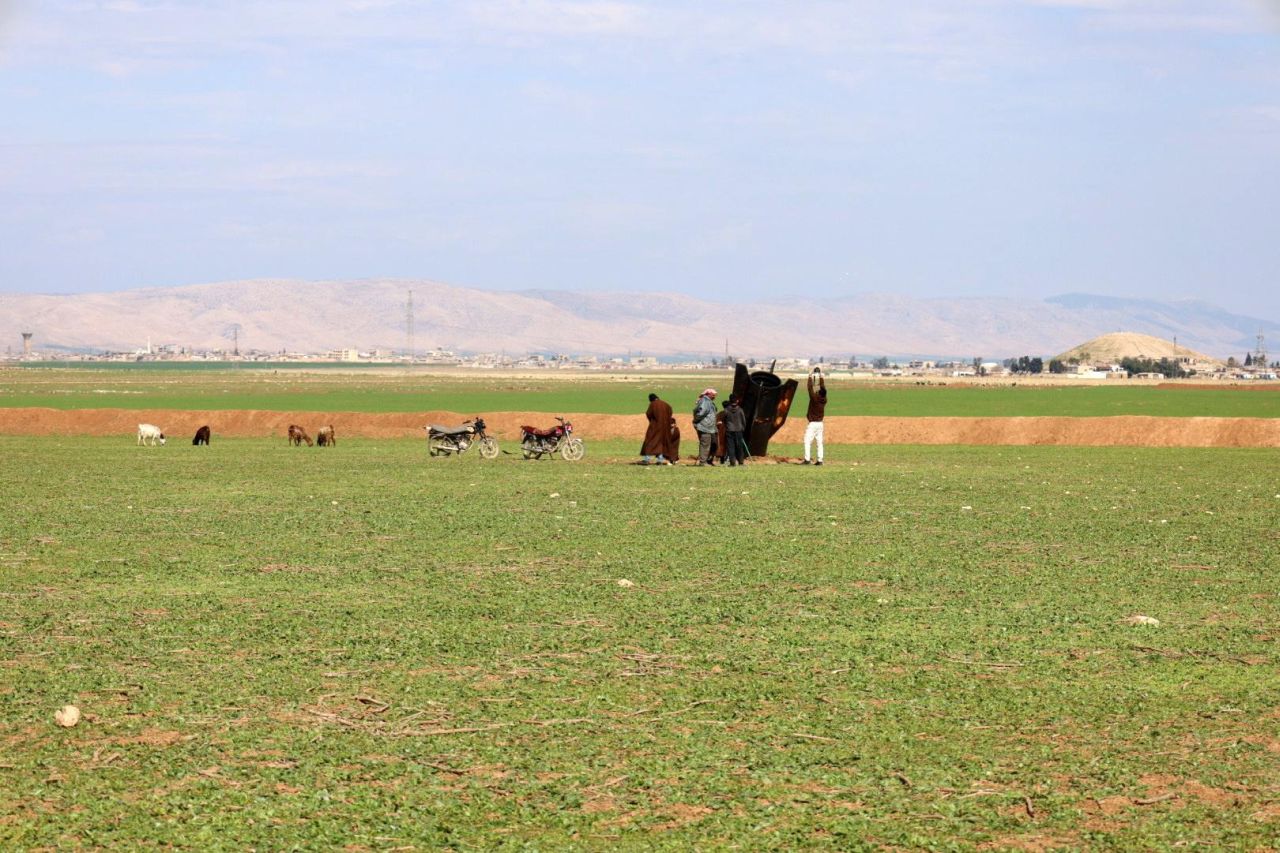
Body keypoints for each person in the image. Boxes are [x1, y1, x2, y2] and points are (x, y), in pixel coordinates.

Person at [640, 393, 674, 465]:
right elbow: (670, 413)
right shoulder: (666, 404)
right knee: (661, 443)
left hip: (655, 427)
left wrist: (652, 422)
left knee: (650, 441)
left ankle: (647, 459)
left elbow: (648, 414)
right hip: (665, 428)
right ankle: (660, 460)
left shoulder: (653, 404)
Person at [803, 367, 826, 466]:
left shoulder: (815, 399)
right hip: (820, 424)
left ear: (818, 394)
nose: (816, 391)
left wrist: (810, 376)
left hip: (813, 424)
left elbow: (810, 388)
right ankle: (820, 460)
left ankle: (807, 460)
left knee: (807, 441)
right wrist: (820, 376)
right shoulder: (824, 400)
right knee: (819, 442)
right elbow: (823, 388)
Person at [692, 388, 718, 465]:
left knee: (714, 444)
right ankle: (703, 462)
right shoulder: (705, 401)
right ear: (708, 394)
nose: (714, 396)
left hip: (710, 427)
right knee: (705, 444)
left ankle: (708, 460)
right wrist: (695, 421)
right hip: (704, 427)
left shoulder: (708, 401)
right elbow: (701, 413)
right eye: (713, 394)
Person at [722, 395, 747, 466]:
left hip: (729, 430)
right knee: (739, 446)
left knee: (731, 447)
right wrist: (742, 429)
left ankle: (732, 462)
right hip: (739, 430)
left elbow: (724, 420)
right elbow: (743, 421)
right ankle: (741, 462)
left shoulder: (726, 410)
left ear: (730, 401)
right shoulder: (740, 410)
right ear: (737, 401)